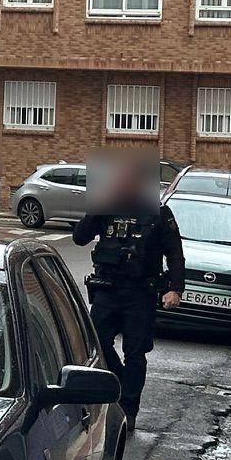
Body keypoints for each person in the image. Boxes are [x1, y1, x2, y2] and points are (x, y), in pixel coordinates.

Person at [71, 153, 186, 425]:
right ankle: (119, 382)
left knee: (135, 353)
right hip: (107, 290)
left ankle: (128, 407)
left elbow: (175, 254)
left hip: (140, 293)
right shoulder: (106, 208)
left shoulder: (159, 214)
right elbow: (79, 238)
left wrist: (175, 289)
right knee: (96, 342)